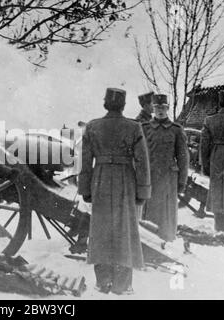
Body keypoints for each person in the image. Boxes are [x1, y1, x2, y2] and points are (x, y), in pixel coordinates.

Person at [78, 88, 151, 295]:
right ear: (123, 105)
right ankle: (122, 284)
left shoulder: (92, 127)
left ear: (105, 104)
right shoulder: (134, 127)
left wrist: (85, 188)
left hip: (100, 180)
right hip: (125, 181)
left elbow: (84, 162)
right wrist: (143, 191)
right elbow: (143, 163)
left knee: (100, 230)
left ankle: (103, 282)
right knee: (124, 230)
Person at [142, 94, 189, 244]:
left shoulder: (176, 130)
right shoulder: (144, 128)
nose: (160, 111)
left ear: (168, 108)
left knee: (166, 213)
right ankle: (148, 242)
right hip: (150, 177)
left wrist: (182, 181)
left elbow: (183, 158)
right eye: (157, 108)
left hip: (168, 179)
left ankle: (167, 241)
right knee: (148, 211)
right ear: (152, 109)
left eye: (163, 107)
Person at [200, 89, 224, 231]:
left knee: (217, 191)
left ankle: (219, 227)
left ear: (219, 103)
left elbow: (204, 146)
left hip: (216, 157)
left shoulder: (209, 120)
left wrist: (205, 165)